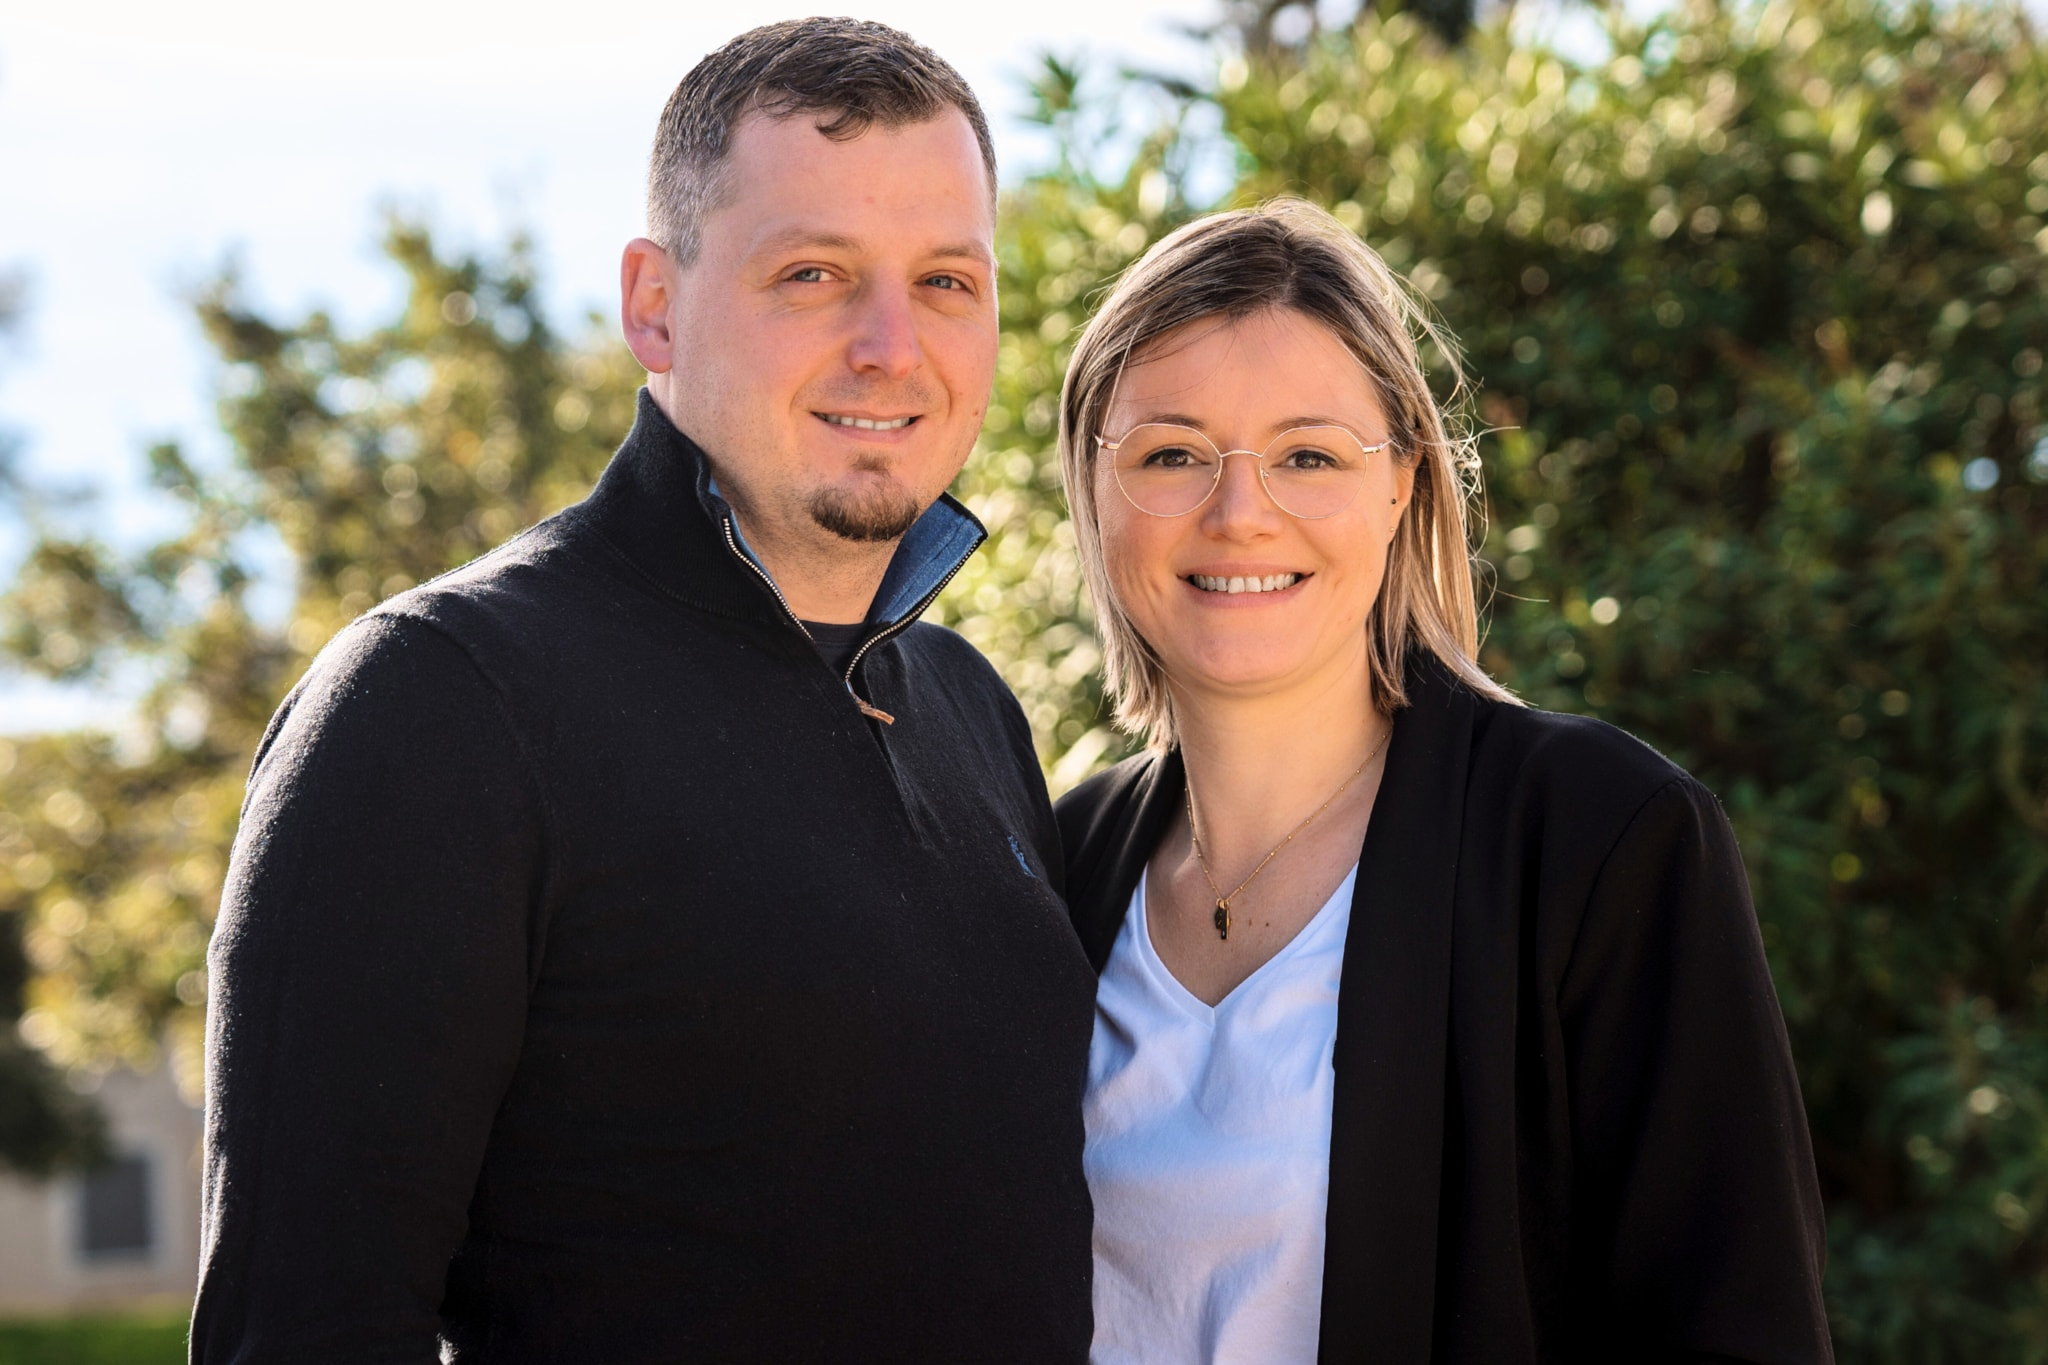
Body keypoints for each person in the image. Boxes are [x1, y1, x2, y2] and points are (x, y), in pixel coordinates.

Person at [192, 20, 1096, 1362]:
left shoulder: (973, 709)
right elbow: (303, 1325)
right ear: (654, 304)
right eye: (812, 274)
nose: (892, 346)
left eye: (947, 281)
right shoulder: (441, 702)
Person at [1054, 199, 1833, 1364]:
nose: (1239, 513)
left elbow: (1735, 1329)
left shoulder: (1599, 842)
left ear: (1402, 486)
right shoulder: (1054, 867)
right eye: (1170, 454)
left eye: (1307, 455)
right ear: (1091, 487)